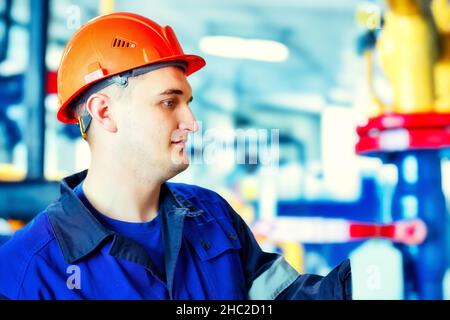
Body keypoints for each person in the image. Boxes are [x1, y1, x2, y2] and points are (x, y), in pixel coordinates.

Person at [0, 12, 351, 300]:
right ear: (105, 112)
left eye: (187, 102)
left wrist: (363, 282)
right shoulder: (26, 270)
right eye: (169, 102)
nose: (192, 123)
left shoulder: (214, 216)